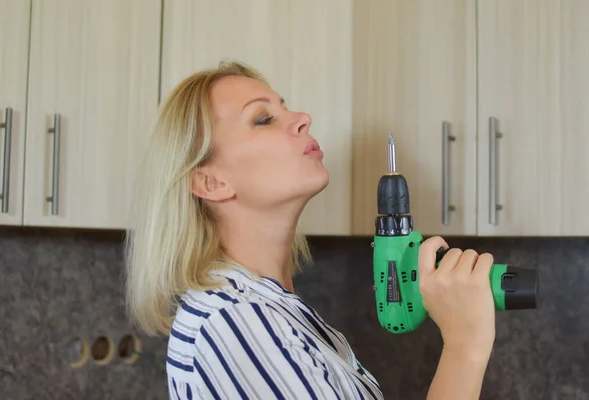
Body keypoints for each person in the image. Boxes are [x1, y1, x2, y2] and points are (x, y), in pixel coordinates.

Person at [123, 60, 496, 399]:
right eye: (263, 119)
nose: (302, 117)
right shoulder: (235, 324)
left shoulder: (276, 313)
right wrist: (466, 344)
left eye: (284, 107)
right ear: (211, 183)